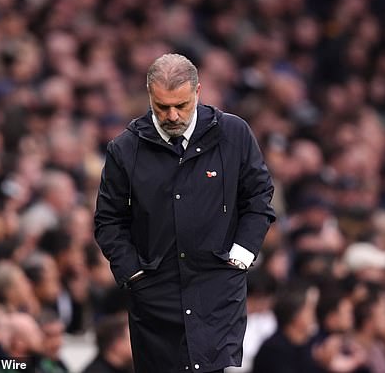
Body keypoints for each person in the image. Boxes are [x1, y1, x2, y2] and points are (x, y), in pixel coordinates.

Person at [94, 53, 276, 372]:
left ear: (198, 92)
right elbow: (108, 220)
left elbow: (259, 196)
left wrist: (242, 255)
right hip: (155, 294)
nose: (173, 115)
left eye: (182, 105)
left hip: (217, 287)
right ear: (149, 95)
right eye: (162, 107)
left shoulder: (233, 133)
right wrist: (133, 273)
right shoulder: (125, 149)